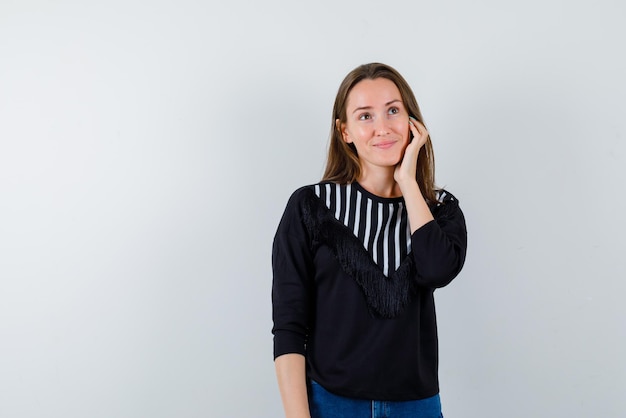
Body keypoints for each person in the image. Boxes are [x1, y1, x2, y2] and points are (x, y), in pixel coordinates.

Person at [271, 63, 467, 418]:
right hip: (329, 403)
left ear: (412, 122)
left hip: (417, 406)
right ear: (344, 131)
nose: (382, 127)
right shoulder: (310, 207)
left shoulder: (441, 211)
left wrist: (407, 181)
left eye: (393, 110)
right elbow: (289, 326)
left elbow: (437, 271)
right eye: (365, 116)